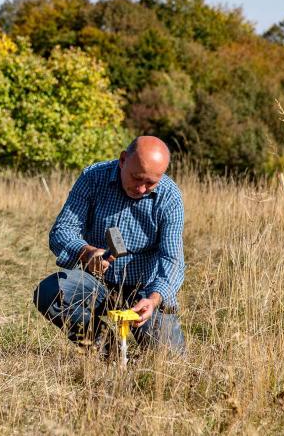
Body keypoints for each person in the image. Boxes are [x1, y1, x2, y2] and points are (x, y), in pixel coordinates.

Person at [33, 136, 186, 356]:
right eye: (137, 178)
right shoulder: (93, 177)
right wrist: (85, 252)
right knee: (50, 292)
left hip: (144, 289)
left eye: (151, 182)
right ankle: (109, 352)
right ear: (123, 160)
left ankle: (148, 347)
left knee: (170, 360)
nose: (142, 188)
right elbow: (62, 230)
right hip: (97, 284)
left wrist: (153, 299)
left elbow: (172, 259)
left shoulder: (169, 196)